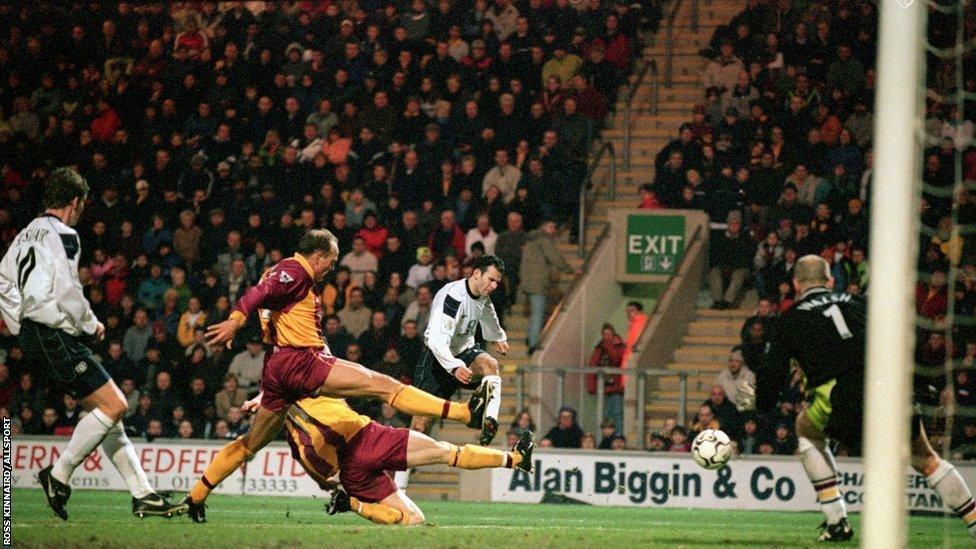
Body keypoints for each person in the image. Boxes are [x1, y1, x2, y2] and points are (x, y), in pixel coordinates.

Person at [183, 230, 489, 522]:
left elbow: (266, 298)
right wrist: (235, 320)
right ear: (317, 256)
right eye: (332, 259)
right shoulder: (295, 270)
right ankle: (465, 413)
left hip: (276, 371)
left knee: (249, 445)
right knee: (386, 386)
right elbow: (258, 293)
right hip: (303, 361)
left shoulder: (279, 272)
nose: (333, 265)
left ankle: (196, 496)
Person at [0, 168, 185, 520]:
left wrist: (17, 323)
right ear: (75, 202)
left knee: (108, 411)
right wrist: (90, 323)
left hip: (34, 333)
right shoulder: (64, 234)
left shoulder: (24, 235)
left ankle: (142, 493)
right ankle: (58, 475)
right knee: (116, 405)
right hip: (50, 333)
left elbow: (2, 282)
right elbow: (68, 289)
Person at [756, 255, 976, 541]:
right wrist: (923, 383)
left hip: (844, 395)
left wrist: (762, 405)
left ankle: (836, 522)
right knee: (925, 458)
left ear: (796, 284)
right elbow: (901, 338)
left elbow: (771, 376)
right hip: (890, 385)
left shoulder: (788, 320)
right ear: (831, 281)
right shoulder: (861, 302)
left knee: (805, 429)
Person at [250, 393, 532, 525]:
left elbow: (322, 478)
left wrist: (337, 482)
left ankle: (354, 505)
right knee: (446, 453)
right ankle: (516, 458)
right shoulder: (310, 386)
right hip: (369, 440)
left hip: (354, 466)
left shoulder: (294, 438)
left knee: (415, 519)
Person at [398, 255, 509, 489]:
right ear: (476, 274)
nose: (494, 286)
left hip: (464, 351)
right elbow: (438, 341)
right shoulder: (453, 297)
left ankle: (490, 418)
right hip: (437, 360)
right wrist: (454, 366)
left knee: (490, 365)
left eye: (497, 282)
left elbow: (488, 313)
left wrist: (499, 336)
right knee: (419, 426)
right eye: (491, 280)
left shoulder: (482, 296)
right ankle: (399, 488)